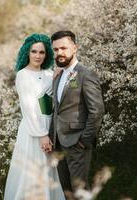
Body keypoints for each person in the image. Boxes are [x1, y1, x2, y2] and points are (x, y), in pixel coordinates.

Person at [4, 33, 65, 200]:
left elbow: (53, 98)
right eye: (34, 52)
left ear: (47, 54)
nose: (38, 56)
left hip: (48, 128)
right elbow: (29, 107)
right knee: (31, 173)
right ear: (27, 53)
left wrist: (58, 76)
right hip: (34, 130)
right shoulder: (23, 75)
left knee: (47, 172)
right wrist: (42, 134)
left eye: (42, 52)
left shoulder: (48, 73)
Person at [48, 30, 105, 197]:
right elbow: (57, 110)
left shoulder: (86, 75)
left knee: (80, 191)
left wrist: (85, 140)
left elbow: (97, 111)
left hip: (77, 143)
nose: (59, 53)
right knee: (67, 192)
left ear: (75, 48)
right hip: (59, 143)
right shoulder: (58, 76)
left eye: (63, 48)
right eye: (56, 49)